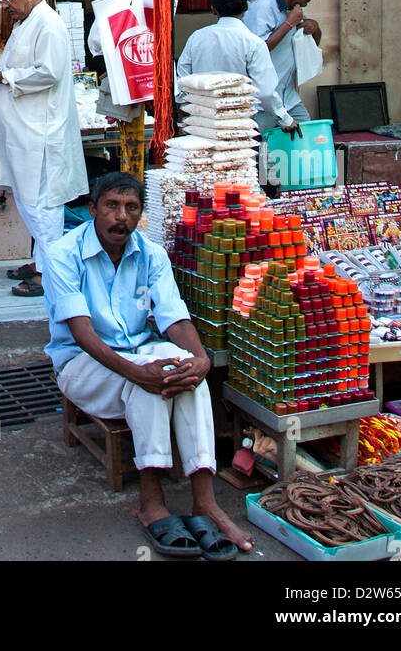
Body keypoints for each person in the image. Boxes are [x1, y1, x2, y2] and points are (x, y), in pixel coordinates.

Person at [43, 172, 254, 560]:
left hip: (139, 354)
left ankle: (204, 501)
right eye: (111, 206)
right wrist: (136, 371)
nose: (120, 216)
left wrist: (201, 360)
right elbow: (81, 332)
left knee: (183, 372)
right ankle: (152, 500)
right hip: (81, 365)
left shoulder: (152, 254)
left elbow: (174, 317)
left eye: (131, 208)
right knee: (149, 379)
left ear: (141, 215)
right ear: (92, 210)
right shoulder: (61, 254)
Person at [0, 0, 86, 297]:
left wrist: (1, 77)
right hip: (24, 127)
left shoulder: (48, 25)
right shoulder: (26, 21)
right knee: (28, 199)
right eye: (3, 0)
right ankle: (41, 262)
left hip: (41, 131)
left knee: (42, 205)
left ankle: (50, 273)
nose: (5, 6)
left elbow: (47, 73)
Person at [176, 0, 302, 135]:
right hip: (240, 122)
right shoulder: (253, 43)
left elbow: (182, 82)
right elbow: (266, 91)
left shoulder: (197, 37)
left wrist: (185, 119)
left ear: (213, 9)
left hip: (202, 121)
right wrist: (285, 118)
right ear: (246, 7)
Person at [243, 0, 322, 129]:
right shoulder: (263, 8)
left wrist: (314, 27)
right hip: (262, 101)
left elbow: (313, 45)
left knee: (306, 138)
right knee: (264, 150)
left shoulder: (294, 10)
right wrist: (288, 23)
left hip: (289, 98)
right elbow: (258, 50)